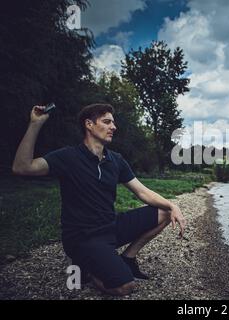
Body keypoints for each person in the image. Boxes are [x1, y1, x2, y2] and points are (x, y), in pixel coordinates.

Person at [12, 103, 187, 296]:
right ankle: (88, 269)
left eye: (113, 122)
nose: (113, 127)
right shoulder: (68, 157)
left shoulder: (116, 160)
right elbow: (22, 167)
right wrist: (35, 124)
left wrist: (172, 205)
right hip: (83, 237)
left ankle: (128, 258)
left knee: (164, 211)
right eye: (106, 122)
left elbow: (143, 192)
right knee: (125, 286)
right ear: (89, 124)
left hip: (110, 227)